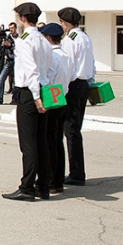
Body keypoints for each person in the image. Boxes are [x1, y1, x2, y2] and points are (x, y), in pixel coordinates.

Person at [2, 2, 53, 202]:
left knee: (28, 144)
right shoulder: (43, 39)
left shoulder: (24, 40)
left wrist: (35, 96)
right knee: (42, 141)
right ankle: (43, 186)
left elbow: (30, 69)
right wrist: (42, 93)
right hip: (43, 89)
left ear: (23, 18)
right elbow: (47, 69)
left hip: (29, 93)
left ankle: (27, 187)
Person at [58, 6, 95, 187]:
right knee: (75, 129)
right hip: (84, 84)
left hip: (73, 85)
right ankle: (77, 171)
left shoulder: (70, 40)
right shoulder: (85, 37)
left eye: (61, 22)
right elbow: (91, 63)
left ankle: (76, 173)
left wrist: (63, 89)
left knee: (70, 131)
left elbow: (68, 66)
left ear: (65, 23)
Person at [39, 23, 74, 194]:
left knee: (49, 142)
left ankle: (51, 181)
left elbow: (46, 78)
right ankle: (58, 180)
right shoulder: (66, 55)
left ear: (47, 38)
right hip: (63, 97)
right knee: (57, 142)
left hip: (51, 97)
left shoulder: (51, 57)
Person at [0, 24, 16, 105]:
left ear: (15, 28)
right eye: (10, 28)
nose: (11, 30)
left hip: (17, 61)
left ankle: (15, 99)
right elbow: (0, 46)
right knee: (0, 78)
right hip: (8, 61)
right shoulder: (7, 38)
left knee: (16, 81)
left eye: (12, 28)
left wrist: (10, 45)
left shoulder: (21, 37)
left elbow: (20, 47)